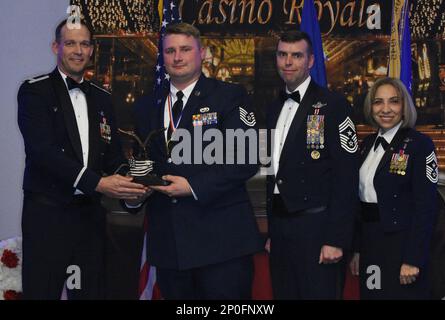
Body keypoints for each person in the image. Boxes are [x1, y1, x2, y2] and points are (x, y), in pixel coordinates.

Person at [129, 22, 263, 299]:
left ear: (202, 53)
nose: (177, 57)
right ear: (162, 56)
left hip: (221, 243)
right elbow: (143, 162)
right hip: (169, 245)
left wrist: (192, 186)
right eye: (170, 51)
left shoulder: (229, 96)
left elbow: (246, 159)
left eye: (185, 49)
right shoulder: (145, 106)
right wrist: (133, 194)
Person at [17, 19, 147, 299]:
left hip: (89, 219)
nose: (78, 50)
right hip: (46, 217)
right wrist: (98, 183)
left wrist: (132, 189)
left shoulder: (103, 98)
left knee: (89, 294)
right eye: (71, 43)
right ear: (56, 47)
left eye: (85, 44)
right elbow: (43, 152)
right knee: (42, 293)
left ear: (92, 50)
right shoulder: (34, 91)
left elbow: (113, 158)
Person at [265, 30, 359, 299]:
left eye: (296, 55)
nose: (288, 62)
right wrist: (273, 231)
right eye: (283, 55)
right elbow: (274, 173)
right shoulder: (273, 108)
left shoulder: (334, 105)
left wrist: (336, 239)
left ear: (310, 61)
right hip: (282, 230)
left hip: (318, 229)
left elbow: (347, 176)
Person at [349, 77, 438, 299]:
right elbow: (359, 204)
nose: (386, 109)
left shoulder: (419, 144)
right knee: (373, 296)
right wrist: (358, 249)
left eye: (394, 102)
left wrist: (413, 258)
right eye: (378, 102)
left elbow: (426, 207)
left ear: (404, 107)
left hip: (402, 247)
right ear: (371, 107)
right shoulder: (366, 144)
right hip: (371, 245)